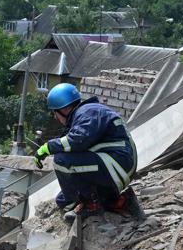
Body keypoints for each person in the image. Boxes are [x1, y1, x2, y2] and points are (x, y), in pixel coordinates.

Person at [35, 83, 143, 222]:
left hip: (116, 165)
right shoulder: (86, 113)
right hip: (114, 165)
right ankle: (118, 201)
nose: (56, 118)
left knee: (62, 160)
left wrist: (48, 147)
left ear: (65, 109)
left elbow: (77, 141)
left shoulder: (87, 112)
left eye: (55, 113)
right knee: (62, 199)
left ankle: (90, 206)